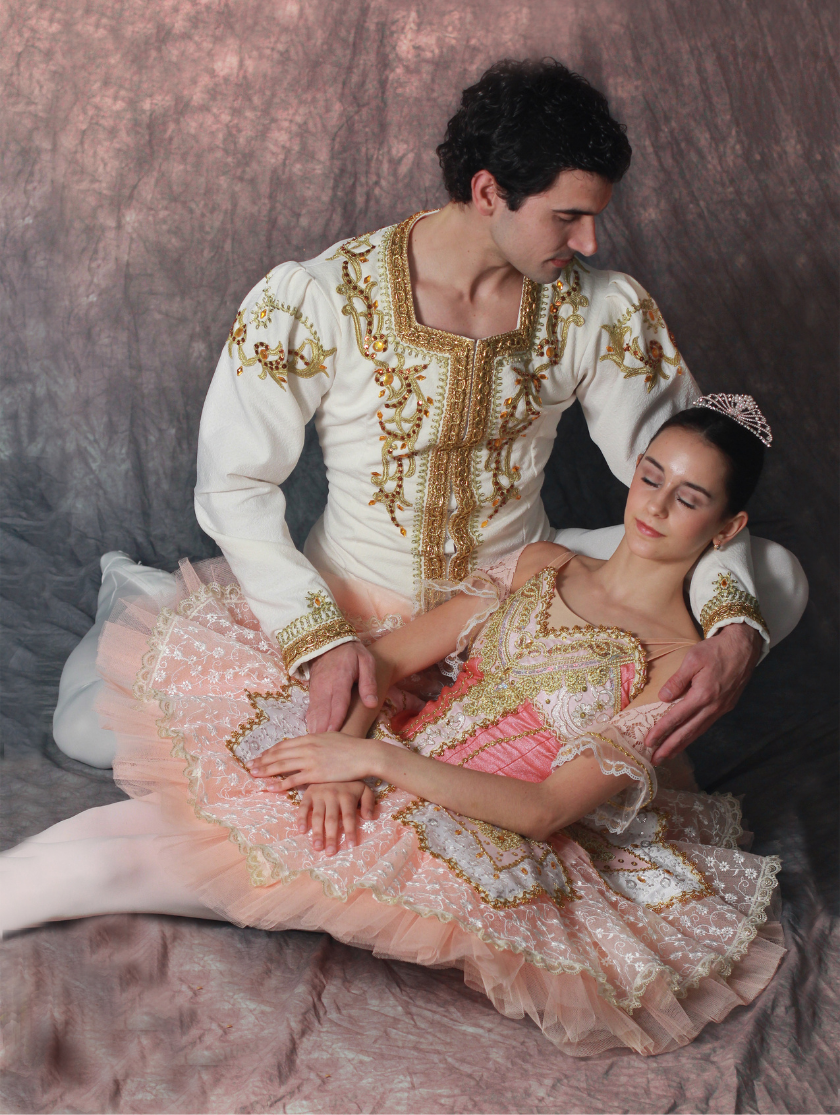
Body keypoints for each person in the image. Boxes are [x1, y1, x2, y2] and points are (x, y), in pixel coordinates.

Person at [52, 58, 807, 776]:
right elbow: (233, 483)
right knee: (88, 731)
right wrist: (323, 640)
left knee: (770, 578)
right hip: (358, 609)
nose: (589, 243)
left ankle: (542, 721)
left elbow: (689, 470)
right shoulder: (319, 298)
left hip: (525, 606)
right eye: (568, 217)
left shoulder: (602, 308)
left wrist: (735, 631)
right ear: (488, 192)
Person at [2, 397, 785, 1057]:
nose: (652, 505)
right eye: (652, 475)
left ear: (725, 527)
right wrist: (354, 752)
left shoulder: (679, 666)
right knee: (125, 826)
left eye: (687, 498)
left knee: (124, 868)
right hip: (393, 750)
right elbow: (382, 656)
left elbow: (548, 808)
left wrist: (371, 762)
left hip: (488, 832)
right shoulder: (542, 565)